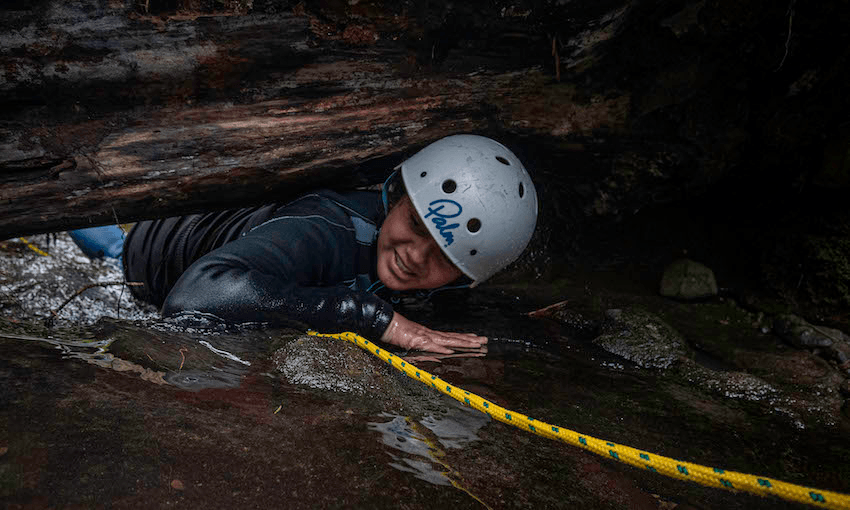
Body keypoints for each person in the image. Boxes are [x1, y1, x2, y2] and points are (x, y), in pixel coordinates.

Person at [70, 134, 539, 354]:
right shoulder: (324, 228)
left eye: (444, 257)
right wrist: (370, 316)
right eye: (415, 225)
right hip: (154, 253)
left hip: (229, 234)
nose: (415, 256)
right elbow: (194, 296)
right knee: (112, 253)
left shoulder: (446, 282)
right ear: (395, 195)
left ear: (466, 278)